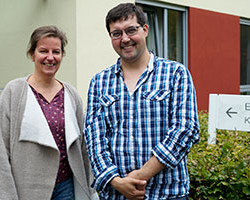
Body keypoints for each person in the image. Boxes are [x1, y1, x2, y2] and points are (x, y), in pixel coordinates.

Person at [84, 3, 200, 200]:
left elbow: (185, 129)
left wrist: (141, 175)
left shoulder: (175, 73)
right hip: (115, 195)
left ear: (145, 30)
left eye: (131, 30)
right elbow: (94, 138)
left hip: (166, 194)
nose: (125, 39)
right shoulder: (99, 82)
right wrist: (116, 181)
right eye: (117, 33)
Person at [0, 25, 98, 200]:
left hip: (66, 188)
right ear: (32, 55)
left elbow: (82, 148)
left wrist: (90, 189)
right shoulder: (14, 91)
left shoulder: (71, 94)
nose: (50, 57)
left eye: (56, 51)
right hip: (26, 190)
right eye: (43, 51)